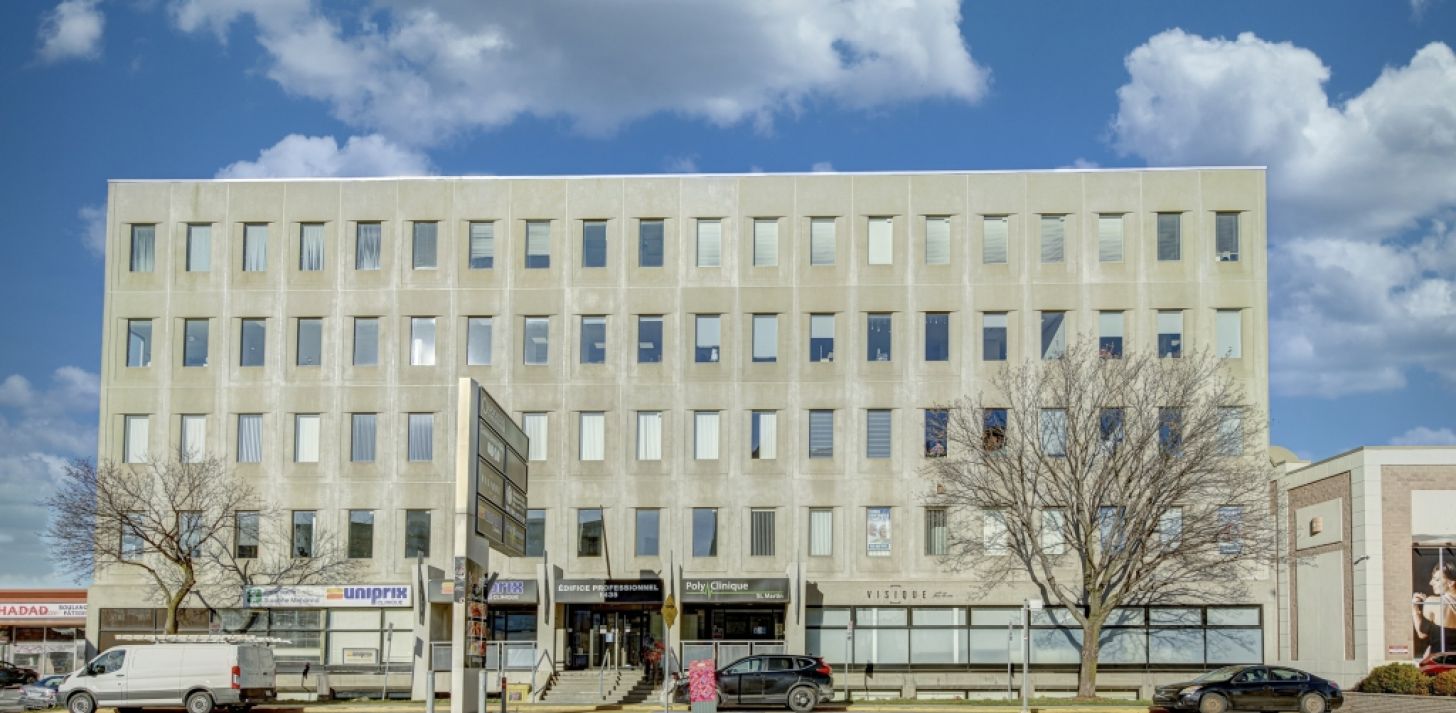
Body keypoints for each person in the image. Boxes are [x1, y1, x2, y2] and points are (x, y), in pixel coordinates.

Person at [1413, 559, 1456, 657]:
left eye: (1437, 579)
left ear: (1451, 583)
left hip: (1440, 665)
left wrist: (1415, 608)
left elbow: (1422, 634)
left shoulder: (1433, 602)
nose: (1431, 582)